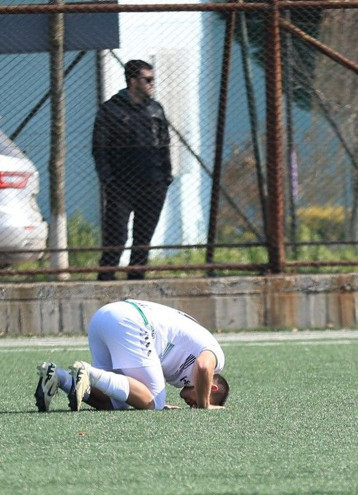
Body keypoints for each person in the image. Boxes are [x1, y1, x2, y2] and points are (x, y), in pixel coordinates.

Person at [34, 299, 229, 411]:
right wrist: (204, 406)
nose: (193, 406)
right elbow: (203, 366)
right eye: (197, 402)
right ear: (211, 388)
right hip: (132, 321)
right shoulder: (217, 360)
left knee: (116, 402)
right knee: (154, 403)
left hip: (104, 316)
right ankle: (89, 372)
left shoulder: (182, 377)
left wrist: (148, 400)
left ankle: (59, 377)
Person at [92, 60, 173, 281]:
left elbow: (164, 143)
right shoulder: (111, 109)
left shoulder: (156, 109)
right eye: (148, 79)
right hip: (121, 185)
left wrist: (166, 175)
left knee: (143, 238)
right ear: (133, 81)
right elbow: (99, 148)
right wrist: (107, 179)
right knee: (116, 235)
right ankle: (106, 279)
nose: (152, 84)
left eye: (152, 79)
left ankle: (136, 280)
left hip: (153, 184)